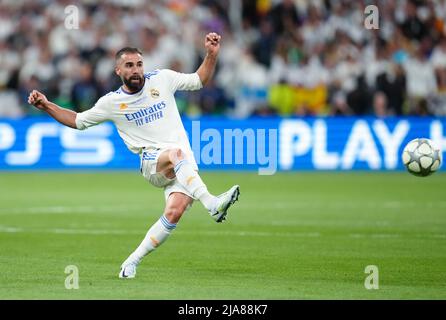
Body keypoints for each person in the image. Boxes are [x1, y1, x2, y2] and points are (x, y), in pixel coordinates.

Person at [27, 32, 240, 279]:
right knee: (176, 153)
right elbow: (77, 120)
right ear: (118, 70)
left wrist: (211, 55)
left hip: (183, 164)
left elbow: (198, 80)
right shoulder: (111, 103)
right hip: (152, 163)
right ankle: (212, 204)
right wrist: (47, 106)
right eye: (129, 65)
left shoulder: (162, 79)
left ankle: (131, 262)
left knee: (175, 211)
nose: (136, 69)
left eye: (139, 64)